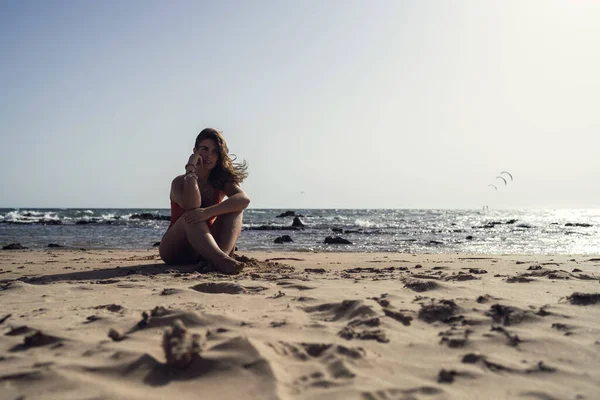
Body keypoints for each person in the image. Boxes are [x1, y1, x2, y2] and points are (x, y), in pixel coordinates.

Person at [159, 128, 250, 274]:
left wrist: (207, 212)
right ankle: (220, 260)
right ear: (195, 150)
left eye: (215, 151)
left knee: (236, 209)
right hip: (176, 249)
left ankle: (220, 258)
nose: (209, 155)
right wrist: (191, 170)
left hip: (205, 250)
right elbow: (192, 205)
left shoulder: (220, 181)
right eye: (205, 149)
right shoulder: (179, 182)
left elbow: (244, 200)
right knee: (193, 215)